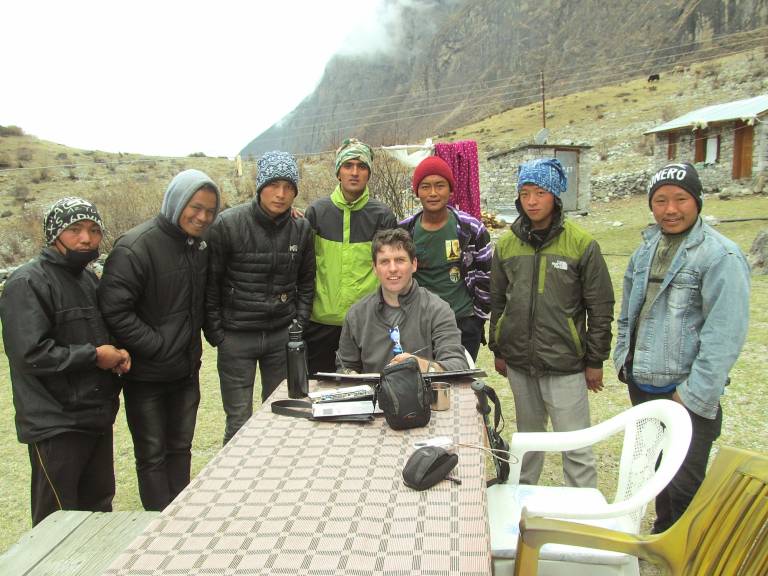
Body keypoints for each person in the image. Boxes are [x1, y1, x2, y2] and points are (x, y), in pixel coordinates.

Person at [614, 162, 750, 533]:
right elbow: (628, 311)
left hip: (686, 391)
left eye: (680, 199)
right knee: (656, 468)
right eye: (660, 200)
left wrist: (692, 394)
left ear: (697, 201)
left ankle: (686, 552)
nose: (670, 209)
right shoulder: (647, 250)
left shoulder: (721, 256)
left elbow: (724, 336)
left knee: (685, 480)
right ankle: (662, 536)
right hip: (643, 383)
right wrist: (622, 358)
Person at [0, 197, 130, 525]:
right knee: (56, 523)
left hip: (94, 416)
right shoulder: (27, 282)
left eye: (93, 230)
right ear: (53, 233)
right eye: (75, 230)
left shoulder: (88, 280)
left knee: (98, 511)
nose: (86, 239)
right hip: (55, 423)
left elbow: (97, 336)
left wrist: (116, 352)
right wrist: (95, 356)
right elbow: (30, 354)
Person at [98, 170, 220, 511]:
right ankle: (156, 522)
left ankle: (178, 517)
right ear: (176, 201)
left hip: (185, 373)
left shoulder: (198, 248)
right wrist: (156, 346)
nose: (202, 216)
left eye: (210, 211)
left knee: (181, 448)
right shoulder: (136, 247)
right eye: (195, 207)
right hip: (146, 377)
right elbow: (115, 310)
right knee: (152, 455)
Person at [489, 158, 614, 488]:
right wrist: (498, 348)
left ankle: (581, 513)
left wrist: (595, 360)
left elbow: (600, 307)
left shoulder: (582, 245)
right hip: (519, 363)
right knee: (528, 443)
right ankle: (520, 505)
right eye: (525, 193)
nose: (531, 201)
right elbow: (498, 301)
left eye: (540, 192)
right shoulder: (506, 245)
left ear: (555, 196)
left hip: (565, 365)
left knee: (575, 447)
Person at [205, 151, 315, 444]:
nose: (281, 194)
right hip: (236, 337)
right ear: (260, 185)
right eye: (274, 185)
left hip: (281, 335)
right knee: (239, 420)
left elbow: (306, 282)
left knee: (280, 413)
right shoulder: (227, 225)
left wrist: (298, 324)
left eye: (289, 187)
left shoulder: (301, 228)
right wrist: (218, 334)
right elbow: (211, 284)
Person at [304, 138, 397, 374]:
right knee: (321, 393)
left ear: (369, 173)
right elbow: (304, 267)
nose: (354, 172)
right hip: (320, 324)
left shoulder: (382, 215)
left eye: (361, 166)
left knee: (371, 392)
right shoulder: (316, 212)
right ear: (338, 172)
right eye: (348, 165)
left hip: (369, 323)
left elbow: (391, 270)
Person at [337, 228, 468, 374]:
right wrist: (350, 375)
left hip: (425, 395)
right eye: (384, 262)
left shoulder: (438, 310)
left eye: (400, 260)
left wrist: (421, 365)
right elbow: (345, 366)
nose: (392, 269)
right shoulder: (357, 314)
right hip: (374, 395)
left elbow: (457, 365)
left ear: (414, 264)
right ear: (374, 268)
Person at [399, 156, 491, 361]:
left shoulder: (470, 229)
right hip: (418, 323)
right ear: (417, 192)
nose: (432, 193)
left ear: (450, 190)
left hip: (463, 322)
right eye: (425, 187)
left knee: (458, 383)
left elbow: (487, 277)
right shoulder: (405, 231)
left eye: (440, 186)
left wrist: (477, 319)